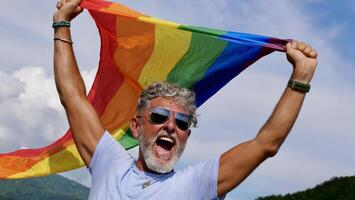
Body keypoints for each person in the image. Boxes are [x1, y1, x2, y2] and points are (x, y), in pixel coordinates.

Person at [53, 0, 318, 199]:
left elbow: (266, 144)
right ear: (136, 127)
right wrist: (62, 24)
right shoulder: (109, 164)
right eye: (158, 117)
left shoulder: (197, 184)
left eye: (182, 122)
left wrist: (301, 78)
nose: (171, 126)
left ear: (186, 136)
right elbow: (72, 97)